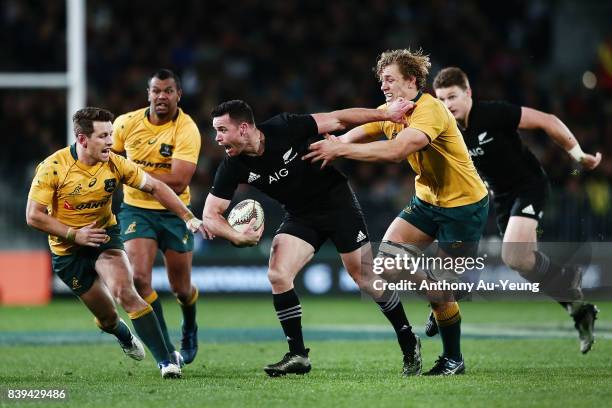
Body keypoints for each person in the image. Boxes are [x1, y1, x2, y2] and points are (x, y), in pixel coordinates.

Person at [203, 98, 424, 377]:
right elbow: (211, 215)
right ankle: (298, 355)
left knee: (363, 277)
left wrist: (386, 114)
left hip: (337, 204)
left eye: (222, 130)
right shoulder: (232, 165)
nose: (217, 138)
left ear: (244, 128)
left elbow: (338, 119)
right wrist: (236, 236)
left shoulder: (284, 127)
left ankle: (407, 339)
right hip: (301, 216)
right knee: (278, 273)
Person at [305, 49, 489, 375]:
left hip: (463, 207)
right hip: (427, 202)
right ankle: (440, 296)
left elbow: (396, 151)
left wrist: (341, 149)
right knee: (387, 265)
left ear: (411, 81)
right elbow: (358, 130)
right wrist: (333, 145)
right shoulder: (391, 111)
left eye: (390, 79)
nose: (384, 86)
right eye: (381, 81)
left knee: (441, 293)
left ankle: (453, 359)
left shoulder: (430, 111)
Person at [26, 107, 206, 378]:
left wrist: (188, 216)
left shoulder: (115, 163)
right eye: (103, 136)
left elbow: (156, 186)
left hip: (104, 237)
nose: (111, 141)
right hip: (67, 250)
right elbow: (33, 216)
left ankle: (166, 362)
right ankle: (122, 334)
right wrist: (75, 234)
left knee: (126, 291)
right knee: (108, 318)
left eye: (111, 134)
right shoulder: (53, 167)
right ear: (83, 139)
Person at [432, 67, 601, 353]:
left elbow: (547, 120)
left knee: (513, 254)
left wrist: (577, 154)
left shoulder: (493, 113)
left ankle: (569, 284)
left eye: (453, 97)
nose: (448, 105)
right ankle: (578, 307)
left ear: (468, 93)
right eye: (442, 100)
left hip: (529, 186)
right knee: (522, 263)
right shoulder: (449, 132)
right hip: (501, 199)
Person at [112, 69, 202, 365]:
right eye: (156, 91)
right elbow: (107, 163)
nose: (161, 96)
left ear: (179, 94)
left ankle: (189, 324)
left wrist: (133, 172)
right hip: (136, 210)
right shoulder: (125, 123)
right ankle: (165, 348)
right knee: (138, 279)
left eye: (168, 91)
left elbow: (177, 181)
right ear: (148, 94)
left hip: (175, 211)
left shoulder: (186, 128)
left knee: (181, 288)